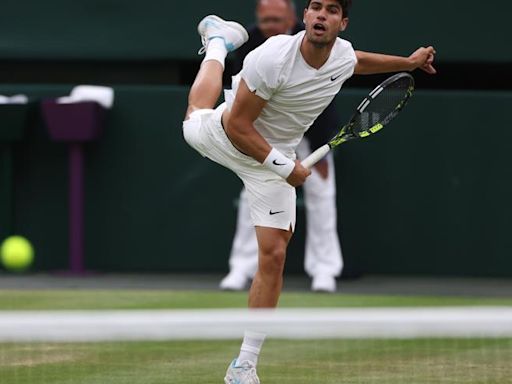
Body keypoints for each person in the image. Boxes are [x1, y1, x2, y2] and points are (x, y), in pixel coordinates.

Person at [182, 1, 436, 382]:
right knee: (195, 112)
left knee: (274, 255)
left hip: (273, 159)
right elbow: (237, 125)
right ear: (304, 17)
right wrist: (285, 167)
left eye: (331, 10)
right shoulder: (272, 57)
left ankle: (244, 365)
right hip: (229, 136)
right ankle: (218, 41)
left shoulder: (343, 54)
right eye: (315, 7)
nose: (321, 14)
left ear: (342, 23)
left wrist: (408, 62)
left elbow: (359, 62)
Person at [220, 0, 344, 293]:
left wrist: (322, 146)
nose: (271, 26)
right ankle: (241, 268)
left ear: (291, 17)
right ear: (257, 19)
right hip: (266, 132)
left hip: (312, 128)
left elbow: (326, 97)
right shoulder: (249, 45)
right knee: (251, 194)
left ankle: (325, 271)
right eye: (266, 21)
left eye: (277, 20)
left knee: (322, 193)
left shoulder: (317, 39)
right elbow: (241, 100)